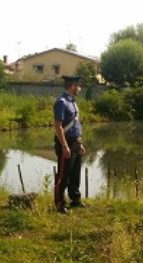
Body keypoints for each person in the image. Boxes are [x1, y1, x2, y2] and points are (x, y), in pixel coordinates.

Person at [53, 75, 86, 214]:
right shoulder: (61, 102)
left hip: (75, 142)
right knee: (63, 175)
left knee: (75, 173)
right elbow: (58, 126)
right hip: (65, 142)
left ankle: (75, 199)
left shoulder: (72, 102)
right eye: (78, 85)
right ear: (72, 86)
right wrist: (65, 146)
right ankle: (59, 204)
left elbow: (75, 124)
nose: (80, 88)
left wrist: (80, 143)